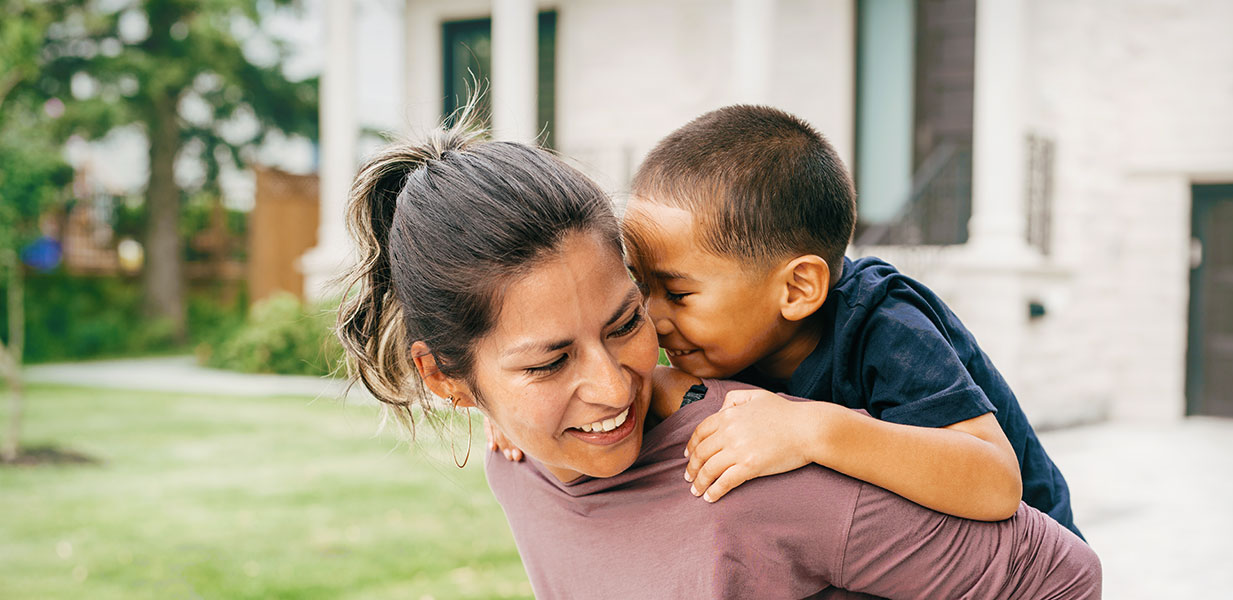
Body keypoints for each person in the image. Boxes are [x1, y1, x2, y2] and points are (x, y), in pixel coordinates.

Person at [334, 120, 1102, 598]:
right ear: (447, 378)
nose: (615, 382)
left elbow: (1010, 505)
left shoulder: (877, 334)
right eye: (545, 363)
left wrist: (811, 432)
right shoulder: (525, 468)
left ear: (796, 288)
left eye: (631, 317)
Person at [604, 104, 1082, 538]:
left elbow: (996, 481)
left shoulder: (886, 326)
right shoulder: (732, 342)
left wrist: (812, 430)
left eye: (678, 293)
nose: (653, 316)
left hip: (1025, 573)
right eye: (641, 286)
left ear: (796, 289)